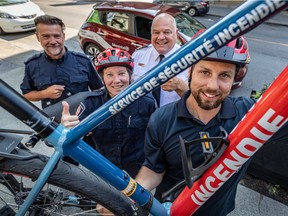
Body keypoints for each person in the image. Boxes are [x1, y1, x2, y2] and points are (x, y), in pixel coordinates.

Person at [135, 36, 287, 216]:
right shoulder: (162, 119)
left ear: (234, 78)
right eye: (205, 72)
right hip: (172, 210)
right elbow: (154, 170)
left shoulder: (250, 114)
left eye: (224, 75)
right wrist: (130, 196)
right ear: (190, 71)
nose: (212, 86)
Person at [61, 48, 156, 178]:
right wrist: (67, 129)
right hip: (104, 166)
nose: (116, 80)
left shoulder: (147, 101)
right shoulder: (91, 103)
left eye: (121, 73)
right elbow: (74, 136)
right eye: (109, 75)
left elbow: (156, 138)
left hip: (138, 167)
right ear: (103, 79)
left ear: (130, 75)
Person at [20, 15, 103, 109]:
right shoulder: (32, 65)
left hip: (84, 118)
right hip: (54, 121)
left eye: (56, 36)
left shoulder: (83, 61)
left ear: (63, 36)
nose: (52, 41)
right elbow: (26, 95)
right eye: (46, 36)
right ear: (38, 37)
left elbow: (98, 90)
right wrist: (44, 93)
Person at [132, 13, 189, 107]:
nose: (161, 37)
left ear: (176, 33)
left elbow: (198, 101)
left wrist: (179, 86)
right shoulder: (138, 56)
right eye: (156, 32)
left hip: (172, 118)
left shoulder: (189, 59)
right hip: (141, 117)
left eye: (166, 32)